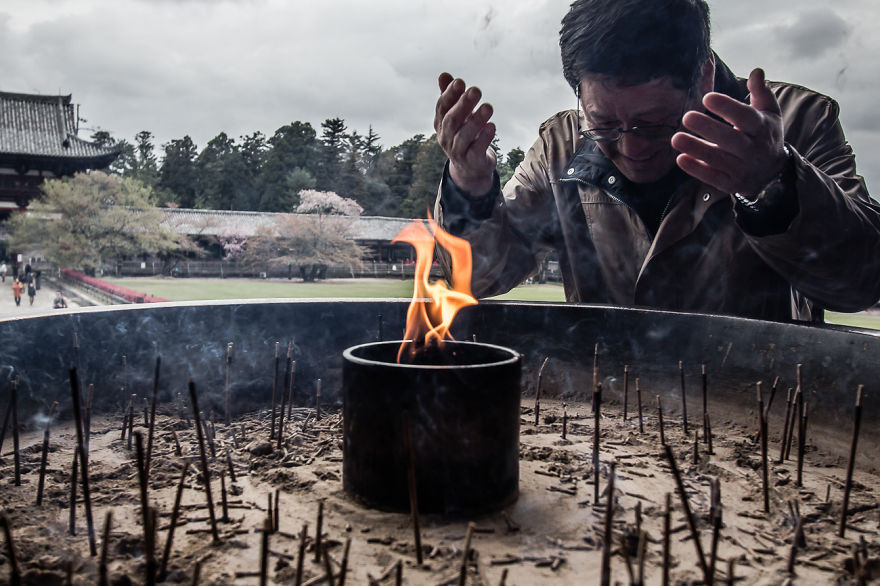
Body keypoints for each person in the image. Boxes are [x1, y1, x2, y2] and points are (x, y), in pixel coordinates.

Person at [433, 0, 880, 323]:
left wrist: (774, 182)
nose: (632, 147)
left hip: (762, 406)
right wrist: (468, 184)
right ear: (578, 95)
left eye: (653, 123)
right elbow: (477, 279)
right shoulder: (561, 144)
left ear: (702, 75)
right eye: (604, 124)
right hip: (611, 412)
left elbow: (860, 282)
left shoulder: (797, 123)